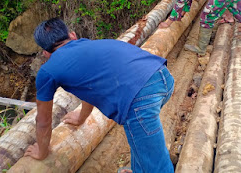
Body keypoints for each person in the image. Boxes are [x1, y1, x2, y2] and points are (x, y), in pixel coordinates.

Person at [24, 18, 174, 173]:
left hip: (140, 99)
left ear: (46, 53)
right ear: (72, 35)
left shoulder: (47, 71)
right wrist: (81, 117)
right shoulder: (88, 45)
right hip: (164, 77)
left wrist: (42, 152)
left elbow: (43, 120)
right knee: (140, 139)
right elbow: (91, 88)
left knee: (157, 166)